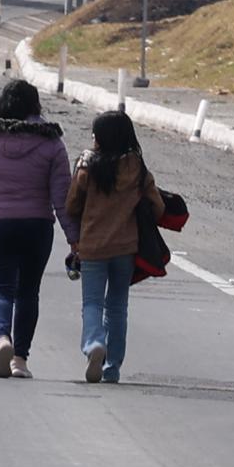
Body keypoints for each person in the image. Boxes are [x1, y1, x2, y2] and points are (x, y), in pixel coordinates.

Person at [0, 78, 71, 377]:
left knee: (0, 289)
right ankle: (20, 360)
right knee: (28, 292)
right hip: (37, 226)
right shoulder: (52, 143)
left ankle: (2, 339)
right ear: (36, 106)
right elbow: (62, 197)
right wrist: (75, 240)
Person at [60, 106, 164, 384]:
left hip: (93, 247)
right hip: (125, 249)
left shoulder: (86, 166)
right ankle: (113, 367)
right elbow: (158, 207)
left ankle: (94, 344)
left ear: (100, 137)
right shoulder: (137, 168)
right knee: (117, 307)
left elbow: (71, 206)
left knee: (92, 303)